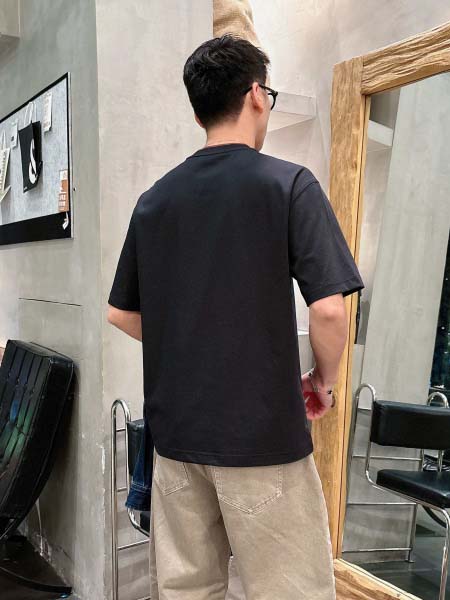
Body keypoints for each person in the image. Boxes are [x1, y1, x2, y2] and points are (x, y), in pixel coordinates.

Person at [107, 33, 364, 600]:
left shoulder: (154, 201)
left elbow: (120, 312)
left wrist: (189, 341)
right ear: (255, 95)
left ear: (199, 109)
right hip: (262, 436)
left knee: (186, 591)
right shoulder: (288, 184)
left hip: (176, 440)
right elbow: (328, 309)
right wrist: (324, 381)